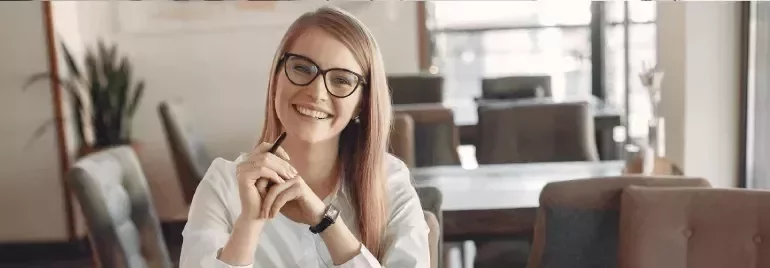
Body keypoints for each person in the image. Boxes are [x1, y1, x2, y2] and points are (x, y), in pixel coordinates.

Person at [179, 6, 430, 268]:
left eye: (342, 80)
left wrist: (325, 222)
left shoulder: (389, 180)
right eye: (302, 68)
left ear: (361, 103)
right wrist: (249, 224)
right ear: (276, 78)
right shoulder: (223, 185)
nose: (316, 92)